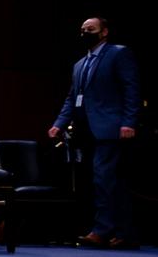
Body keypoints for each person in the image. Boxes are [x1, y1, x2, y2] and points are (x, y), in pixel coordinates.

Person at [48, 17, 141, 249]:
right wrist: (59, 123)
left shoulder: (118, 54)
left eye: (91, 29)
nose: (85, 33)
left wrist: (129, 122)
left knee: (105, 178)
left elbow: (131, 89)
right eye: (82, 30)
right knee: (106, 181)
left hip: (111, 128)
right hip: (86, 130)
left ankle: (103, 230)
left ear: (104, 32)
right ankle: (122, 233)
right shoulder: (79, 64)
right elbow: (72, 97)